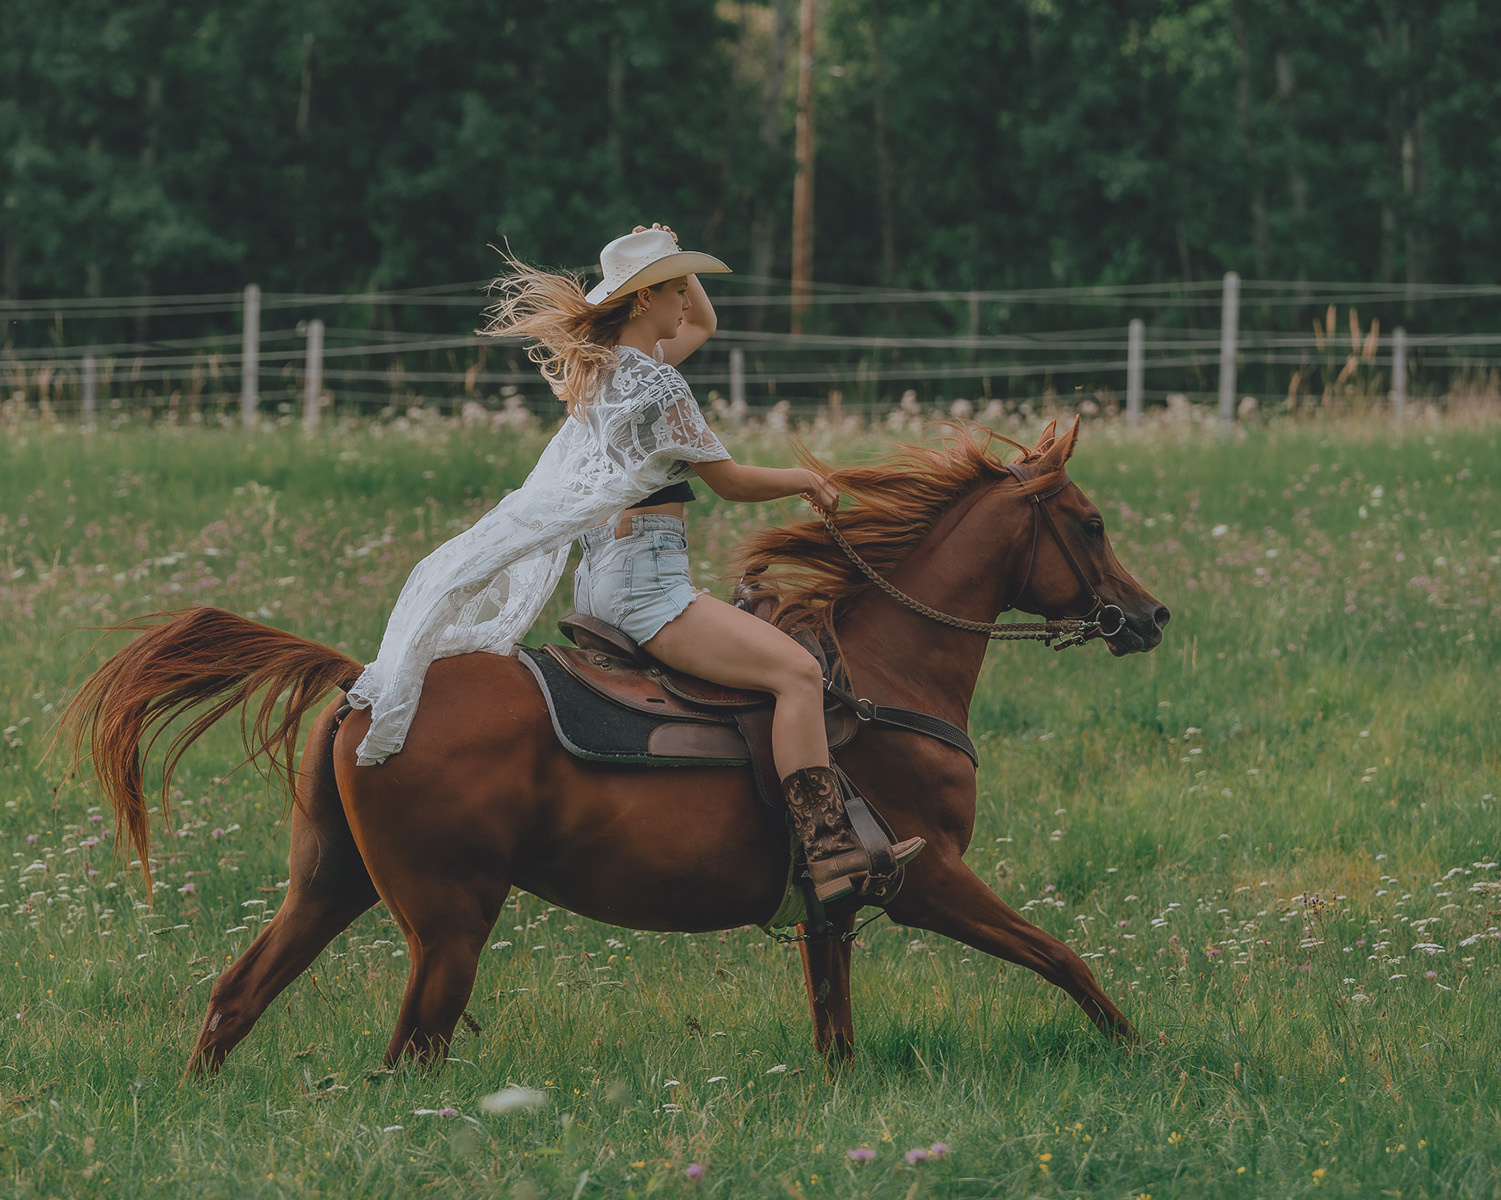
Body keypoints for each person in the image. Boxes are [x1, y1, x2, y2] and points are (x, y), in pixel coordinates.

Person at [347, 225, 922, 903]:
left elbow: (703, 319)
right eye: (675, 289)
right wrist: (803, 479)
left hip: (604, 578)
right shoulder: (655, 385)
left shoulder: (608, 371)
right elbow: (731, 482)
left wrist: (674, 260)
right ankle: (830, 854)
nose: (687, 303)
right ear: (646, 297)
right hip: (648, 590)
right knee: (797, 674)